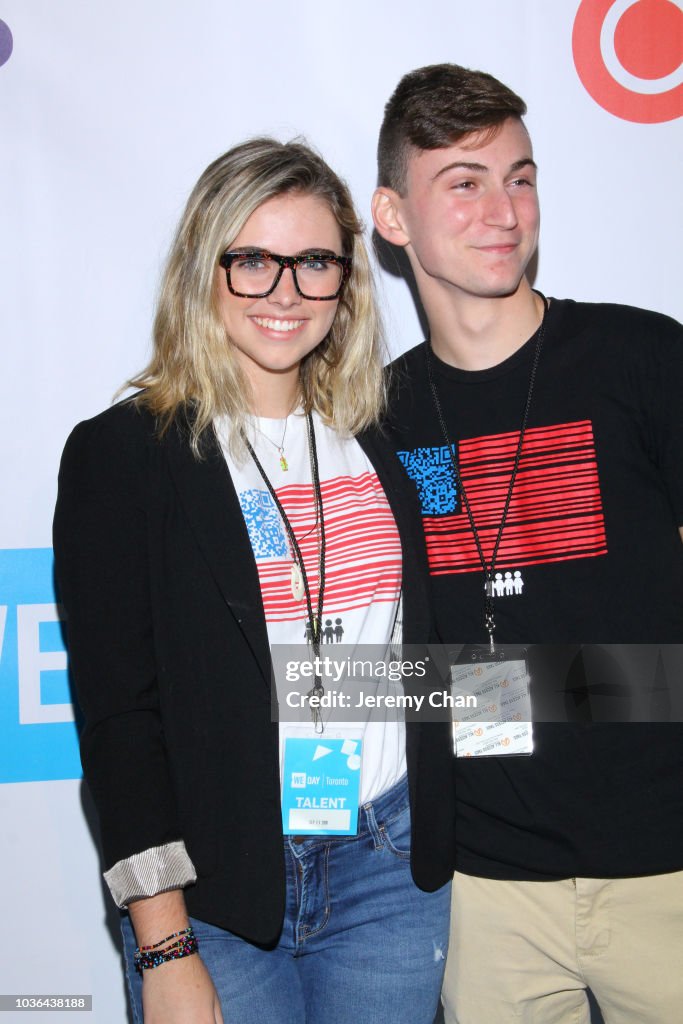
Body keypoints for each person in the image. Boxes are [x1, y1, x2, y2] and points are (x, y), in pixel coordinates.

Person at [53, 138, 454, 1024]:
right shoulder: (125, 456)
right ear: (205, 269)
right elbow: (121, 720)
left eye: (313, 262)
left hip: (389, 873)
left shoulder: (384, 439)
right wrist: (163, 946)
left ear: (346, 281)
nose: (285, 291)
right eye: (253, 261)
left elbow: (414, 668)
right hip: (215, 894)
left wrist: (602, 703)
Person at [372, 63, 683, 1024]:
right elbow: (368, 667)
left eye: (520, 176)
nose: (502, 210)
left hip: (667, 874)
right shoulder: (374, 419)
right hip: (486, 895)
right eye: (462, 182)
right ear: (393, 216)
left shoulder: (641, 359)